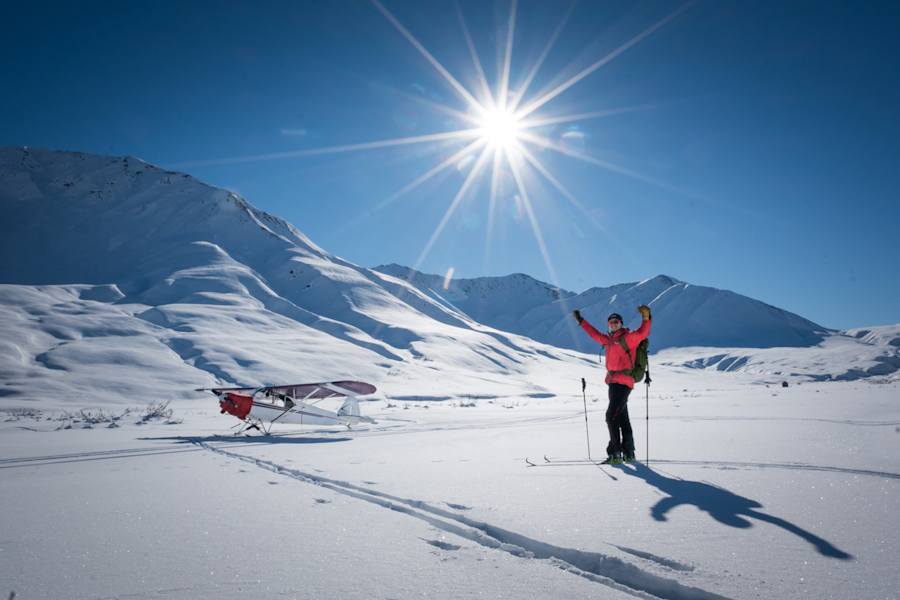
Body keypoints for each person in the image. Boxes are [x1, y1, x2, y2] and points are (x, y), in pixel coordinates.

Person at [573, 305, 652, 464]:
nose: (613, 324)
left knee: (611, 416)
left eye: (616, 322)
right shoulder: (608, 340)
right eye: (610, 322)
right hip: (612, 383)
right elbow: (593, 333)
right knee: (622, 417)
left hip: (624, 382)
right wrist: (581, 321)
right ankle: (629, 452)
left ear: (621, 323)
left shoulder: (628, 338)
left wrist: (646, 317)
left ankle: (615, 453)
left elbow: (643, 333)